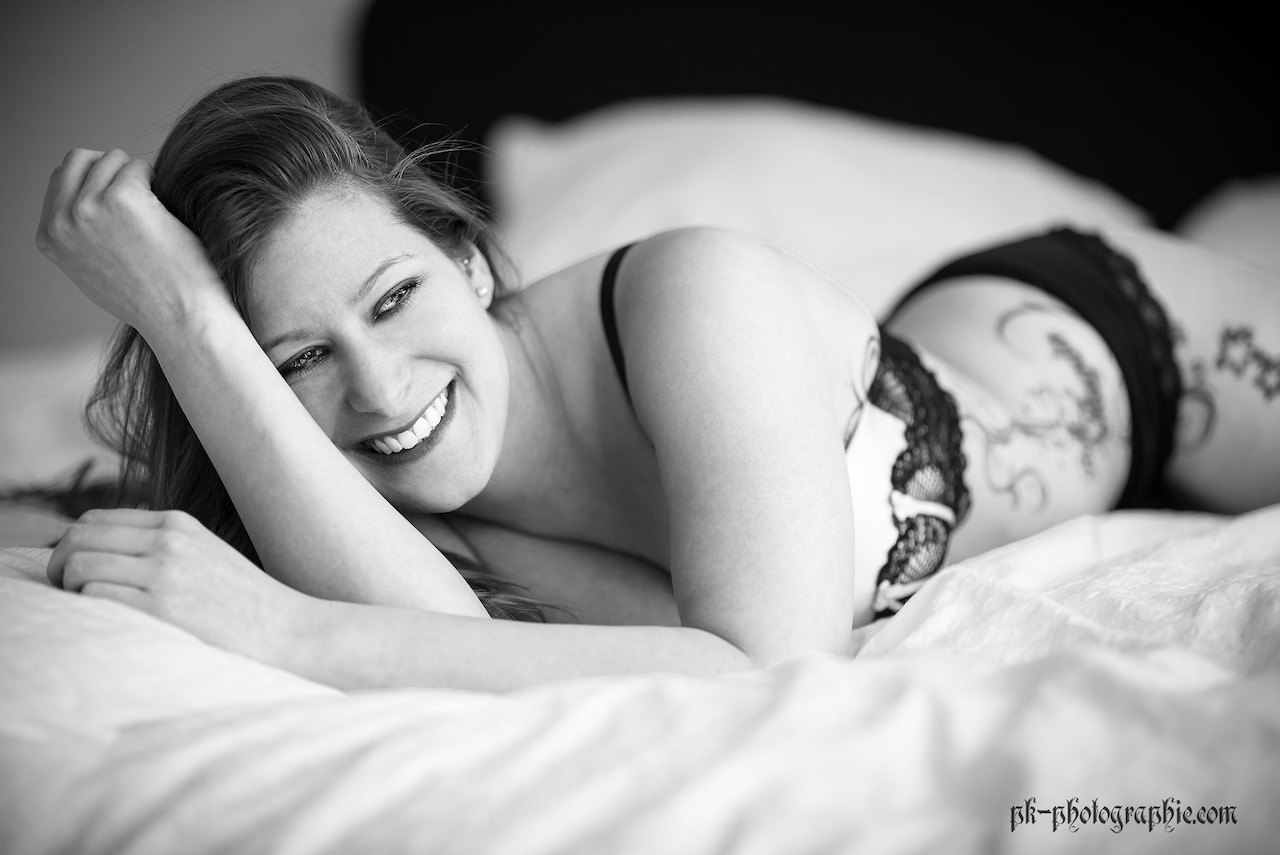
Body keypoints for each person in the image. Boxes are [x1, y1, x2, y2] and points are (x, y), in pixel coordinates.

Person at [34, 75, 1280, 692]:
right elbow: (448, 647)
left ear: (466, 261)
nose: (377, 388)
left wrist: (293, 633)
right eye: (298, 359)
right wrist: (191, 330)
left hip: (1126, 344)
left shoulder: (690, 293)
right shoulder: (373, 504)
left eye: (395, 296)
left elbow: (767, 670)